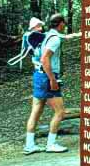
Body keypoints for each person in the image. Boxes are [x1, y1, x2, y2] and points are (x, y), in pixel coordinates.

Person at [24, 13, 69, 155]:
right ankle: (51, 144)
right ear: (60, 23)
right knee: (60, 112)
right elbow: (45, 59)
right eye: (64, 23)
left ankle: (29, 145)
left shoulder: (46, 35)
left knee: (36, 111)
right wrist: (52, 80)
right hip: (47, 77)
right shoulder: (54, 38)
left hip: (38, 76)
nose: (65, 25)